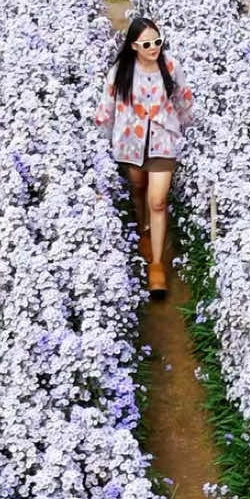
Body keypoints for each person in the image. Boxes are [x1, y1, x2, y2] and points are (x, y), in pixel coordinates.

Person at [95, 17, 193, 297]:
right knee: (138, 188)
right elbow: (108, 105)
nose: (154, 48)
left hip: (163, 141)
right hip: (130, 143)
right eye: (148, 44)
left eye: (158, 42)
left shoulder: (170, 65)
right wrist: (102, 138)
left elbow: (183, 98)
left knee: (158, 200)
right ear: (134, 46)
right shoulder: (121, 70)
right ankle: (144, 228)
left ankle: (157, 266)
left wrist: (188, 126)